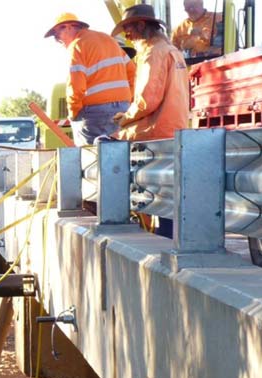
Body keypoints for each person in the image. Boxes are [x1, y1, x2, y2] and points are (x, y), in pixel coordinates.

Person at [111, 4, 190, 238]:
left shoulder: (152, 53)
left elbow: (148, 100)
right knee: (168, 196)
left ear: (141, 25)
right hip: (173, 130)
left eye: (129, 28)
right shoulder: (172, 51)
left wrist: (125, 119)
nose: (128, 35)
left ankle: (136, 230)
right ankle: (166, 237)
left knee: (106, 146)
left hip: (155, 132)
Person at [44, 11, 135, 146]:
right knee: (120, 151)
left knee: (90, 154)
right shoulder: (109, 40)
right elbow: (133, 73)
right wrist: (128, 101)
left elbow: (75, 85)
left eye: (57, 36)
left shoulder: (77, 46)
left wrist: (74, 113)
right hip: (122, 108)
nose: (59, 41)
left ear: (68, 27)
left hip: (95, 113)